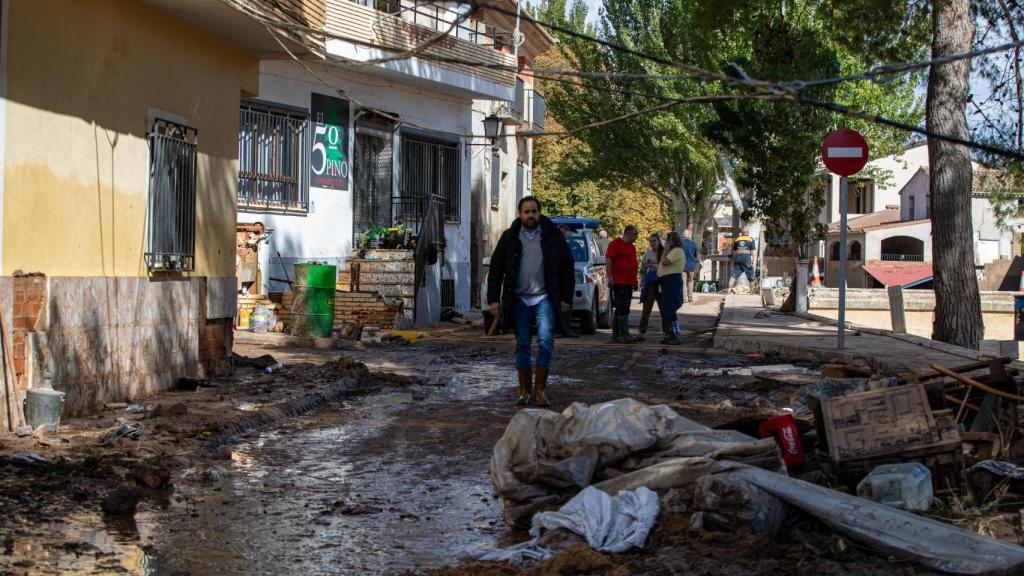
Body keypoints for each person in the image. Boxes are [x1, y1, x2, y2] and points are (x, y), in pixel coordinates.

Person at [487, 196, 574, 407]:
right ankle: (524, 392)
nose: (530, 215)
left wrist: (565, 298)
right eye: (526, 212)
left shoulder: (553, 236)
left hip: (545, 298)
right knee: (523, 344)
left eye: (534, 211)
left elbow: (567, 266)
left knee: (545, 342)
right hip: (519, 300)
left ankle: (540, 392)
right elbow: (496, 268)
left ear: (539, 212)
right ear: (520, 214)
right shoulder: (510, 237)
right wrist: (493, 300)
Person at [605, 225, 642, 343]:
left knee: (623, 307)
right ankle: (623, 334)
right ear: (629, 233)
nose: (636, 237)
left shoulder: (632, 247)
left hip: (629, 282)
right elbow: (609, 260)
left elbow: (633, 264)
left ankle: (618, 334)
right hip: (619, 281)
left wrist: (635, 281)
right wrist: (610, 277)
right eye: (635, 235)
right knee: (623, 307)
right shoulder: (615, 244)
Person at [658, 231, 685, 345]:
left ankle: (675, 335)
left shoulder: (677, 251)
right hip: (668, 281)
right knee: (667, 309)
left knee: (669, 308)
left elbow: (664, 262)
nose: (666, 243)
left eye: (668, 241)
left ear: (672, 242)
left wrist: (665, 250)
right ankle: (672, 333)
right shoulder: (674, 251)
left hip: (672, 281)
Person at [556, 224, 579, 338]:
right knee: (560, 306)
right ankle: (560, 329)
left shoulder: (568, 245)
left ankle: (565, 328)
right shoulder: (555, 246)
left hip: (566, 279)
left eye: (564, 233)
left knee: (567, 306)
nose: (563, 235)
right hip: (558, 280)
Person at [638, 234, 662, 334]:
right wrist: (643, 282)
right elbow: (642, 269)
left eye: (654, 241)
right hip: (651, 281)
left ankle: (667, 329)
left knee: (664, 307)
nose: (652, 243)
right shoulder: (647, 254)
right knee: (647, 306)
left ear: (659, 241)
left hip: (662, 281)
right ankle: (642, 329)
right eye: (650, 241)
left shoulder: (664, 252)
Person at [730, 227, 756, 292]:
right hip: (746, 260)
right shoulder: (751, 240)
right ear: (748, 232)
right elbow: (753, 253)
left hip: (738, 260)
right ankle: (753, 291)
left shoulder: (737, 240)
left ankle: (729, 290)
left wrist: (736, 258)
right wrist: (754, 261)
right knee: (751, 276)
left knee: (734, 275)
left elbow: (734, 253)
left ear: (741, 233)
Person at [682, 230, 699, 303]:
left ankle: (683, 298)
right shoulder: (693, 244)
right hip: (691, 266)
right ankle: (690, 297)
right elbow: (695, 256)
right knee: (690, 281)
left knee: (683, 282)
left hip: (682, 267)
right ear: (689, 235)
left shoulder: (680, 244)